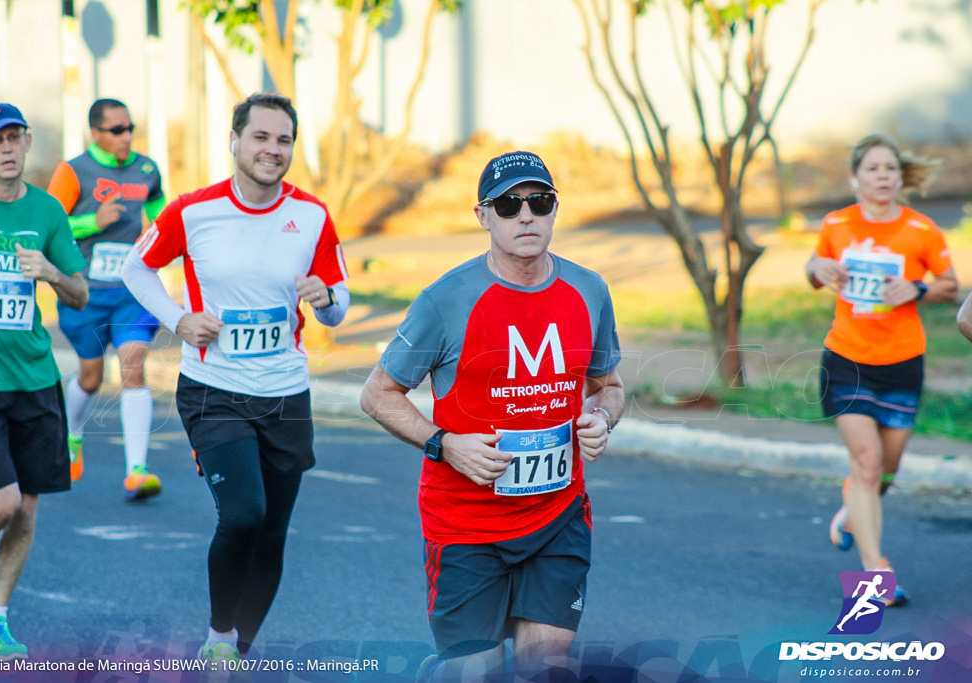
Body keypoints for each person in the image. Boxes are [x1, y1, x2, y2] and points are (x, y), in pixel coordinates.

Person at [359, 151, 624, 681]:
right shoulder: (446, 300)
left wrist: (602, 418)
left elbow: (609, 386)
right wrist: (444, 443)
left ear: (554, 210)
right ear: (484, 217)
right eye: (509, 205)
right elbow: (377, 394)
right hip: (465, 528)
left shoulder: (588, 291)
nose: (526, 215)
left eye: (539, 201)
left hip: (558, 517)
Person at [122, 92, 349, 666]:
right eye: (261, 137)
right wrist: (179, 319)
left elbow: (338, 302)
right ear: (235, 141)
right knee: (243, 514)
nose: (273, 150)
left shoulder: (313, 215)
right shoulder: (192, 211)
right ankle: (220, 636)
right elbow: (136, 267)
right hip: (215, 389)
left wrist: (326, 301)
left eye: (284, 140)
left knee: (272, 532)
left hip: (285, 393)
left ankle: (237, 654)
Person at [0, 102, 88, 660]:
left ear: (28, 144)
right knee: (2, 503)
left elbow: (79, 293)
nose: (7, 149)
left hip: (34, 378)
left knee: (28, 509)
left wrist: (51, 273)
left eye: (15, 138)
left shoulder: (48, 211)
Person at [805, 133, 957, 606]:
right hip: (846, 358)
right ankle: (877, 573)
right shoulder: (837, 223)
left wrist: (916, 288)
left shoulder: (922, 230)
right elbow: (816, 266)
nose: (883, 176)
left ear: (899, 176)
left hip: (902, 362)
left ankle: (853, 509)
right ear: (855, 178)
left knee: (886, 471)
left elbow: (950, 287)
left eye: (889, 168)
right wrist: (818, 267)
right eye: (872, 169)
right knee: (867, 462)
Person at [47, 98, 166, 500]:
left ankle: (137, 469)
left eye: (130, 127)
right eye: (117, 130)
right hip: (86, 293)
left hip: (133, 291)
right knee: (91, 377)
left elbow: (161, 214)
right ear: (95, 132)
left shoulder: (147, 169)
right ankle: (72, 434)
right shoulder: (73, 172)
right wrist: (91, 223)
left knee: (134, 367)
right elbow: (50, 225)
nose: (126, 136)